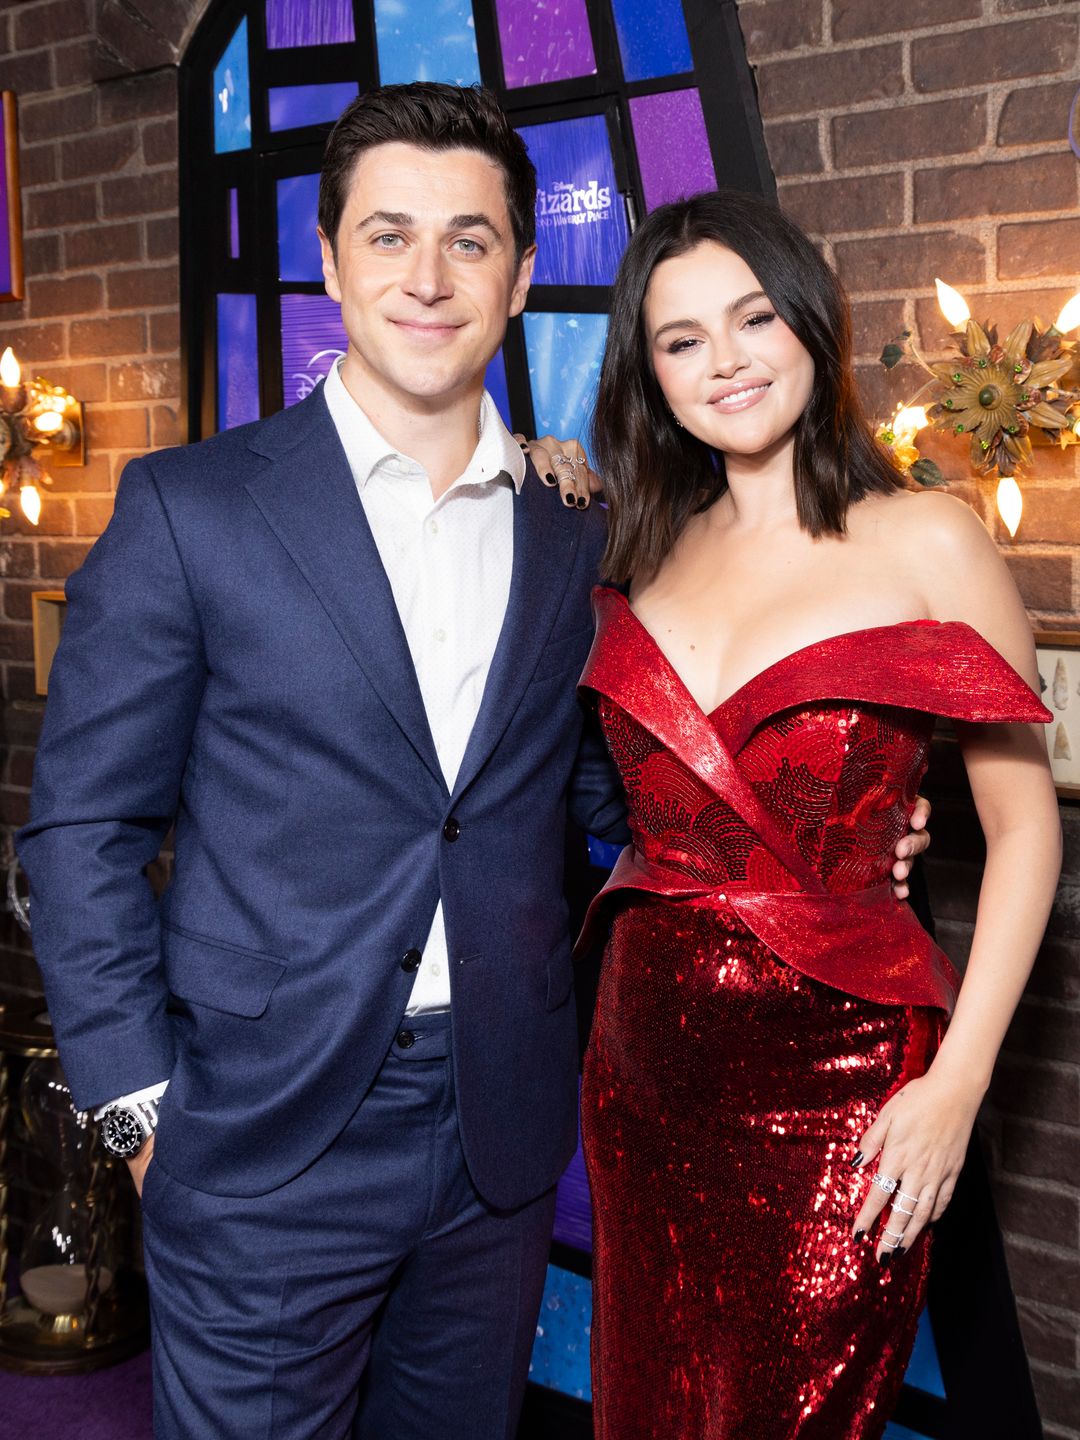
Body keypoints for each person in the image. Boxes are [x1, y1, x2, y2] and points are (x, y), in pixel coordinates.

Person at [16, 85, 929, 1439]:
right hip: (257, 1138)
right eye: (388, 236)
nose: (427, 277)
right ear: (332, 263)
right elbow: (75, 835)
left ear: (516, 274)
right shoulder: (189, 508)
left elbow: (605, 797)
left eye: (469, 239)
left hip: (499, 1131)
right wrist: (134, 1114)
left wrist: (824, 829)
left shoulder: (581, 532)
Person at [577, 189, 1061, 1440]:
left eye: (751, 318)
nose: (726, 360)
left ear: (809, 323)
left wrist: (959, 1082)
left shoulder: (929, 542)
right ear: (652, 375)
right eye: (681, 340)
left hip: (840, 1074)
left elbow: (1023, 833)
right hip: (640, 1061)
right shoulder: (639, 546)